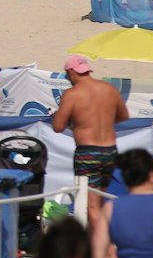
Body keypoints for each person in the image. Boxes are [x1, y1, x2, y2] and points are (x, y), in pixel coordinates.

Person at [52, 53, 129, 225]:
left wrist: (76, 124)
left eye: (67, 75)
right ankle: (106, 236)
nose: (68, 79)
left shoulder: (72, 94)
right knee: (102, 201)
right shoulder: (109, 89)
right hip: (110, 151)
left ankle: (102, 240)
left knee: (92, 206)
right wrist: (104, 122)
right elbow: (124, 115)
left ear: (72, 72)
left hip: (88, 152)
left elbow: (57, 126)